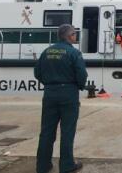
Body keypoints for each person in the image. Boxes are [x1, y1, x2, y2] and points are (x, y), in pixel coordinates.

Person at [34, 24, 87, 173]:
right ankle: (67, 165)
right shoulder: (74, 53)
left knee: (46, 132)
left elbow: (37, 72)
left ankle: (42, 166)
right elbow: (82, 74)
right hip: (68, 93)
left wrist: (49, 83)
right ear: (70, 36)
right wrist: (78, 86)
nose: (75, 37)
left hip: (50, 93)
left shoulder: (46, 51)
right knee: (67, 131)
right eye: (74, 34)